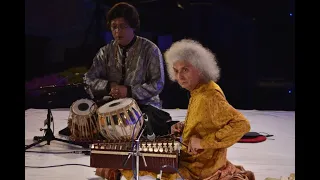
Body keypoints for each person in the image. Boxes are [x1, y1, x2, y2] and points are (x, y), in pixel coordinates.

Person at [119, 39, 256, 180]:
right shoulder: (198, 91)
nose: (180, 77)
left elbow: (242, 124)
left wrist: (203, 143)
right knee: (140, 163)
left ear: (200, 68)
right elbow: (206, 122)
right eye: (176, 71)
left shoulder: (210, 96)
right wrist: (185, 127)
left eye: (185, 69)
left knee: (142, 170)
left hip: (201, 168)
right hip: (190, 160)